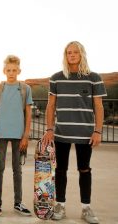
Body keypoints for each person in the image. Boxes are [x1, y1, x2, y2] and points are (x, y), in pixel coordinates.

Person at [42, 41, 107, 224]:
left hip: (85, 134)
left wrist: (98, 131)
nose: (72, 55)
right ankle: (60, 206)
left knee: (84, 170)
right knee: (60, 170)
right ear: (65, 55)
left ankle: (86, 208)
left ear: (81, 54)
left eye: (75, 52)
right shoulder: (56, 78)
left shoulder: (94, 78)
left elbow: (99, 106)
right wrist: (49, 129)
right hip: (61, 133)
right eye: (69, 52)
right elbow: (50, 105)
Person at [0, 55, 33, 216]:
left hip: (19, 135)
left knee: (17, 169)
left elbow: (28, 113)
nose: (11, 73)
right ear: (4, 71)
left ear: (19, 71)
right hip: (1, 134)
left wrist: (26, 135)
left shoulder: (25, 88)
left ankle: (18, 203)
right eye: (8, 70)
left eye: (14, 70)